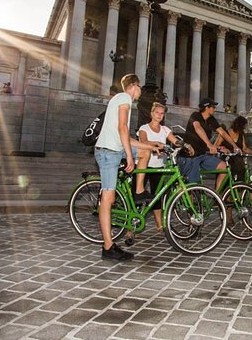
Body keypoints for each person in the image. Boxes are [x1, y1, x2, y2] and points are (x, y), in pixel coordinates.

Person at [94, 74, 158, 261]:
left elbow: (127, 138)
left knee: (145, 154)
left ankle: (138, 190)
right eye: (140, 88)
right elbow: (123, 128)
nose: (140, 92)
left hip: (117, 149)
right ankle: (108, 247)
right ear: (133, 86)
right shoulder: (124, 98)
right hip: (108, 153)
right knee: (108, 198)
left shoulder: (122, 101)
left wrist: (151, 146)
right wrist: (130, 156)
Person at [135, 102, 193, 231]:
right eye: (157, 112)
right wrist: (156, 144)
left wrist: (185, 145)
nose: (159, 115)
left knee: (157, 196)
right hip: (144, 166)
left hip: (158, 166)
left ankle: (159, 225)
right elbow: (143, 141)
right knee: (137, 196)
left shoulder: (165, 129)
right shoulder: (144, 128)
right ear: (151, 113)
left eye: (162, 113)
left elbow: (175, 140)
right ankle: (130, 229)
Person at [177, 98, 241, 190]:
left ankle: (217, 197)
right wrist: (209, 144)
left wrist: (234, 145)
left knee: (225, 167)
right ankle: (186, 203)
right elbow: (198, 128)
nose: (214, 109)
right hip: (189, 156)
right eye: (213, 107)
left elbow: (222, 132)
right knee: (191, 186)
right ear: (207, 107)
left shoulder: (211, 119)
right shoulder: (196, 115)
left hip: (202, 155)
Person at [216, 115, 252, 182]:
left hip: (238, 163)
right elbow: (216, 146)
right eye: (244, 126)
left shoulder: (241, 135)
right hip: (227, 161)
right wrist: (223, 149)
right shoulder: (225, 133)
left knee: (243, 180)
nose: (244, 128)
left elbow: (244, 148)